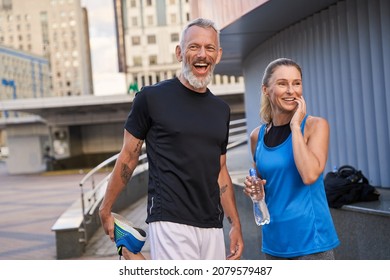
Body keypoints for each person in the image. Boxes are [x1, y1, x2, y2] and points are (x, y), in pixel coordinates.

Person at [99, 17, 244, 260]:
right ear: (179, 52)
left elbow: (220, 170)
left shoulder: (221, 110)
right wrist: (106, 209)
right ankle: (127, 250)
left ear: (218, 55)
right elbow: (129, 156)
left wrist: (236, 224)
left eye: (209, 48)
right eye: (194, 47)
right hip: (170, 218)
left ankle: (127, 250)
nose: (202, 54)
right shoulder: (151, 98)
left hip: (211, 222)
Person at [244, 58, 340, 260]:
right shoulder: (257, 136)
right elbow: (262, 185)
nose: (291, 90)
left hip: (311, 244)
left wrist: (295, 126)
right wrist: (254, 189)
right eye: (282, 83)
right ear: (265, 90)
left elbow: (309, 175)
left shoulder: (315, 126)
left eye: (296, 83)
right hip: (274, 242)